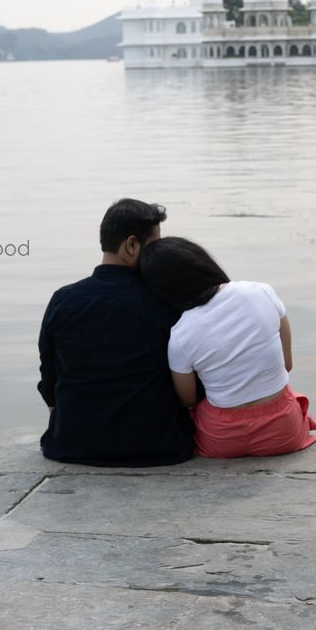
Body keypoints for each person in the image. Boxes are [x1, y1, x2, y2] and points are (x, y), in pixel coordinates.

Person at [37, 199, 194, 466]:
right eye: (154, 245)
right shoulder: (165, 301)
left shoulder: (63, 300)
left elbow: (49, 380)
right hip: (158, 447)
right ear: (131, 246)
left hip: (70, 446)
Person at [139, 237, 316, 459]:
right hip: (283, 433)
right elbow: (286, 364)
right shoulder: (261, 292)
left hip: (221, 441)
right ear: (203, 262)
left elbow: (188, 400)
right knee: (289, 395)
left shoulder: (180, 334)